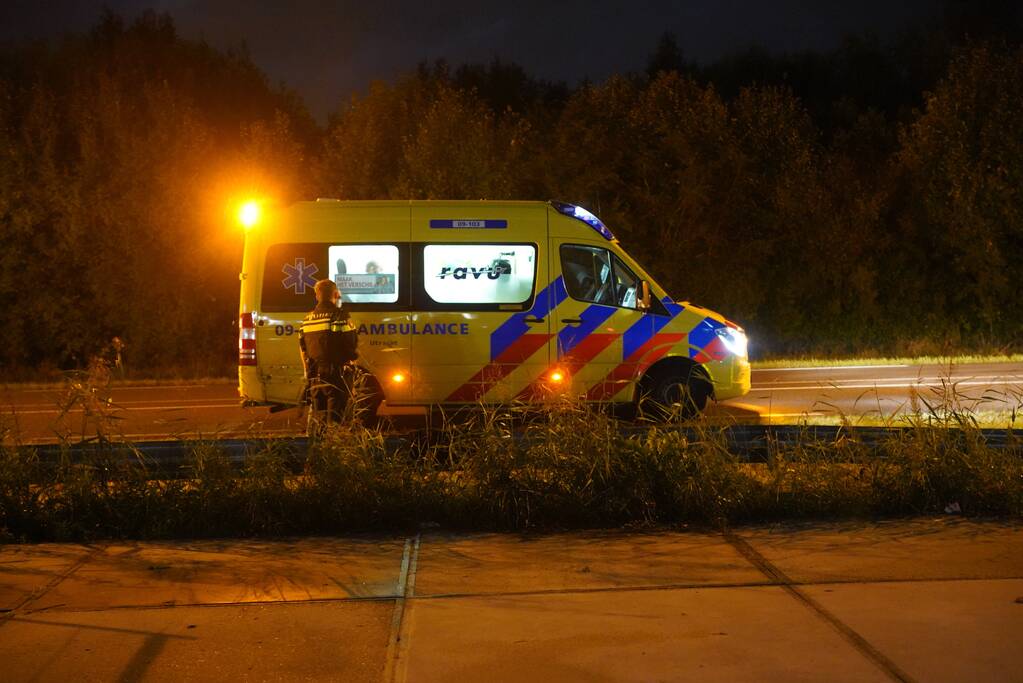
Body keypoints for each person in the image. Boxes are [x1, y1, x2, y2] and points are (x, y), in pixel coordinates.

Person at [299, 279, 359, 434]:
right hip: (337, 376)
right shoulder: (340, 316)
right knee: (338, 420)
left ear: (317, 296)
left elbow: (303, 349)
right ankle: (335, 451)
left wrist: (308, 373)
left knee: (319, 420)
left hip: (315, 378)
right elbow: (351, 345)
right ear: (335, 294)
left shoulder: (306, 320)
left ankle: (318, 452)